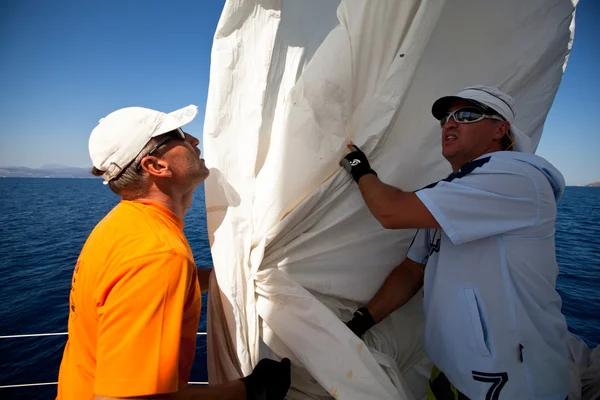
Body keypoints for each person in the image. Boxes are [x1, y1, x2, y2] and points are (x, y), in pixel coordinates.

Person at [340, 86, 571, 399]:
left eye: (466, 115)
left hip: (514, 381)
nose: (449, 123)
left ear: (501, 129)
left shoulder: (516, 177)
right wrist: (360, 323)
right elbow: (412, 272)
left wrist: (358, 167)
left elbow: (390, 212)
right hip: (452, 370)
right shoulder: (449, 193)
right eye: (445, 119)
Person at [57, 105, 291, 400]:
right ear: (155, 166)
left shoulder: (122, 226)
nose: (194, 140)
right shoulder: (158, 255)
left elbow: (158, 285)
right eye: (179, 134)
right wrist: (251, 390)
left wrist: (235, 277)